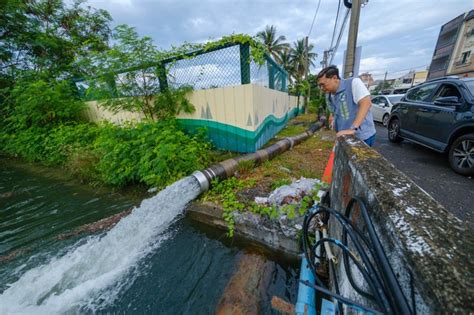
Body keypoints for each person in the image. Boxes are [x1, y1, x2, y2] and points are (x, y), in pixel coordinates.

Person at [316, 65, 376, 147]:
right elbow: (333, 112)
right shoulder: (329, 95)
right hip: (344, 135)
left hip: (361, 136)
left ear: (334, 78)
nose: (321, 88)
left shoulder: (353, 83)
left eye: (323, 84)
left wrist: (352, 129)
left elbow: (366, 103)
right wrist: (332, 118)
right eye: (319, 86)